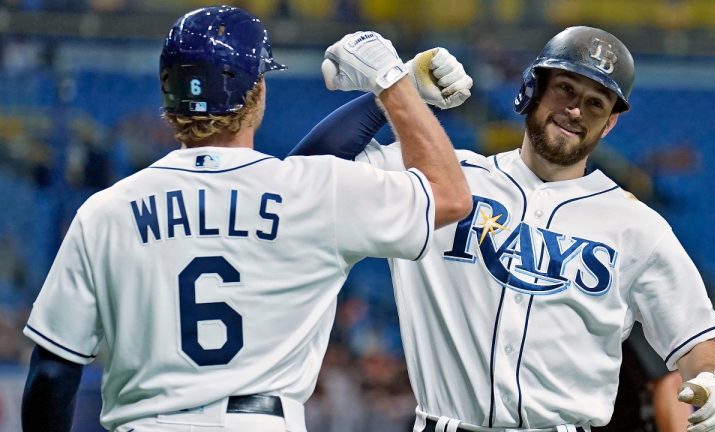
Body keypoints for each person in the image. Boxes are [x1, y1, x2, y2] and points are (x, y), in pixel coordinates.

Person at [20, 6, 472, 432]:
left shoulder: (105, 212)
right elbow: (449, 196)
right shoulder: (311, 192)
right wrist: (394, 86)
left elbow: (51, 373)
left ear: (168, 93)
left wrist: (392, 90)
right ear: (257, 92)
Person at [289, 26, 715, 432]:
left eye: (596, 103)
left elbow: (699, 344)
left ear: (610, 122)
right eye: (564, 88)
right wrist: (396, 91)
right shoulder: (444, 179)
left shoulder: (636, 225)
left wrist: (712, 381)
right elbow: (305, 174)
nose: (576, 109)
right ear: (532, 89)